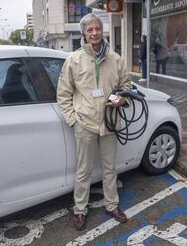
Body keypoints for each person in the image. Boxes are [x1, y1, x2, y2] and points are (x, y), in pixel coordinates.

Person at [57, 13, 132, 231]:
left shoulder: (115, 59)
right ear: (84, 33)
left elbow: (126, 85)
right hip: (85, 124)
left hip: (109, 123)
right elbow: (63, 94)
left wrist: (123, 99)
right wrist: (74, 121)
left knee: (110, 168)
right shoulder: (74, 59)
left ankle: (112, 205)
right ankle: (80, 210)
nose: (94, 33)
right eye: (89, 30)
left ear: (102, 30)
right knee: (83, 171)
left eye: (97, 28)